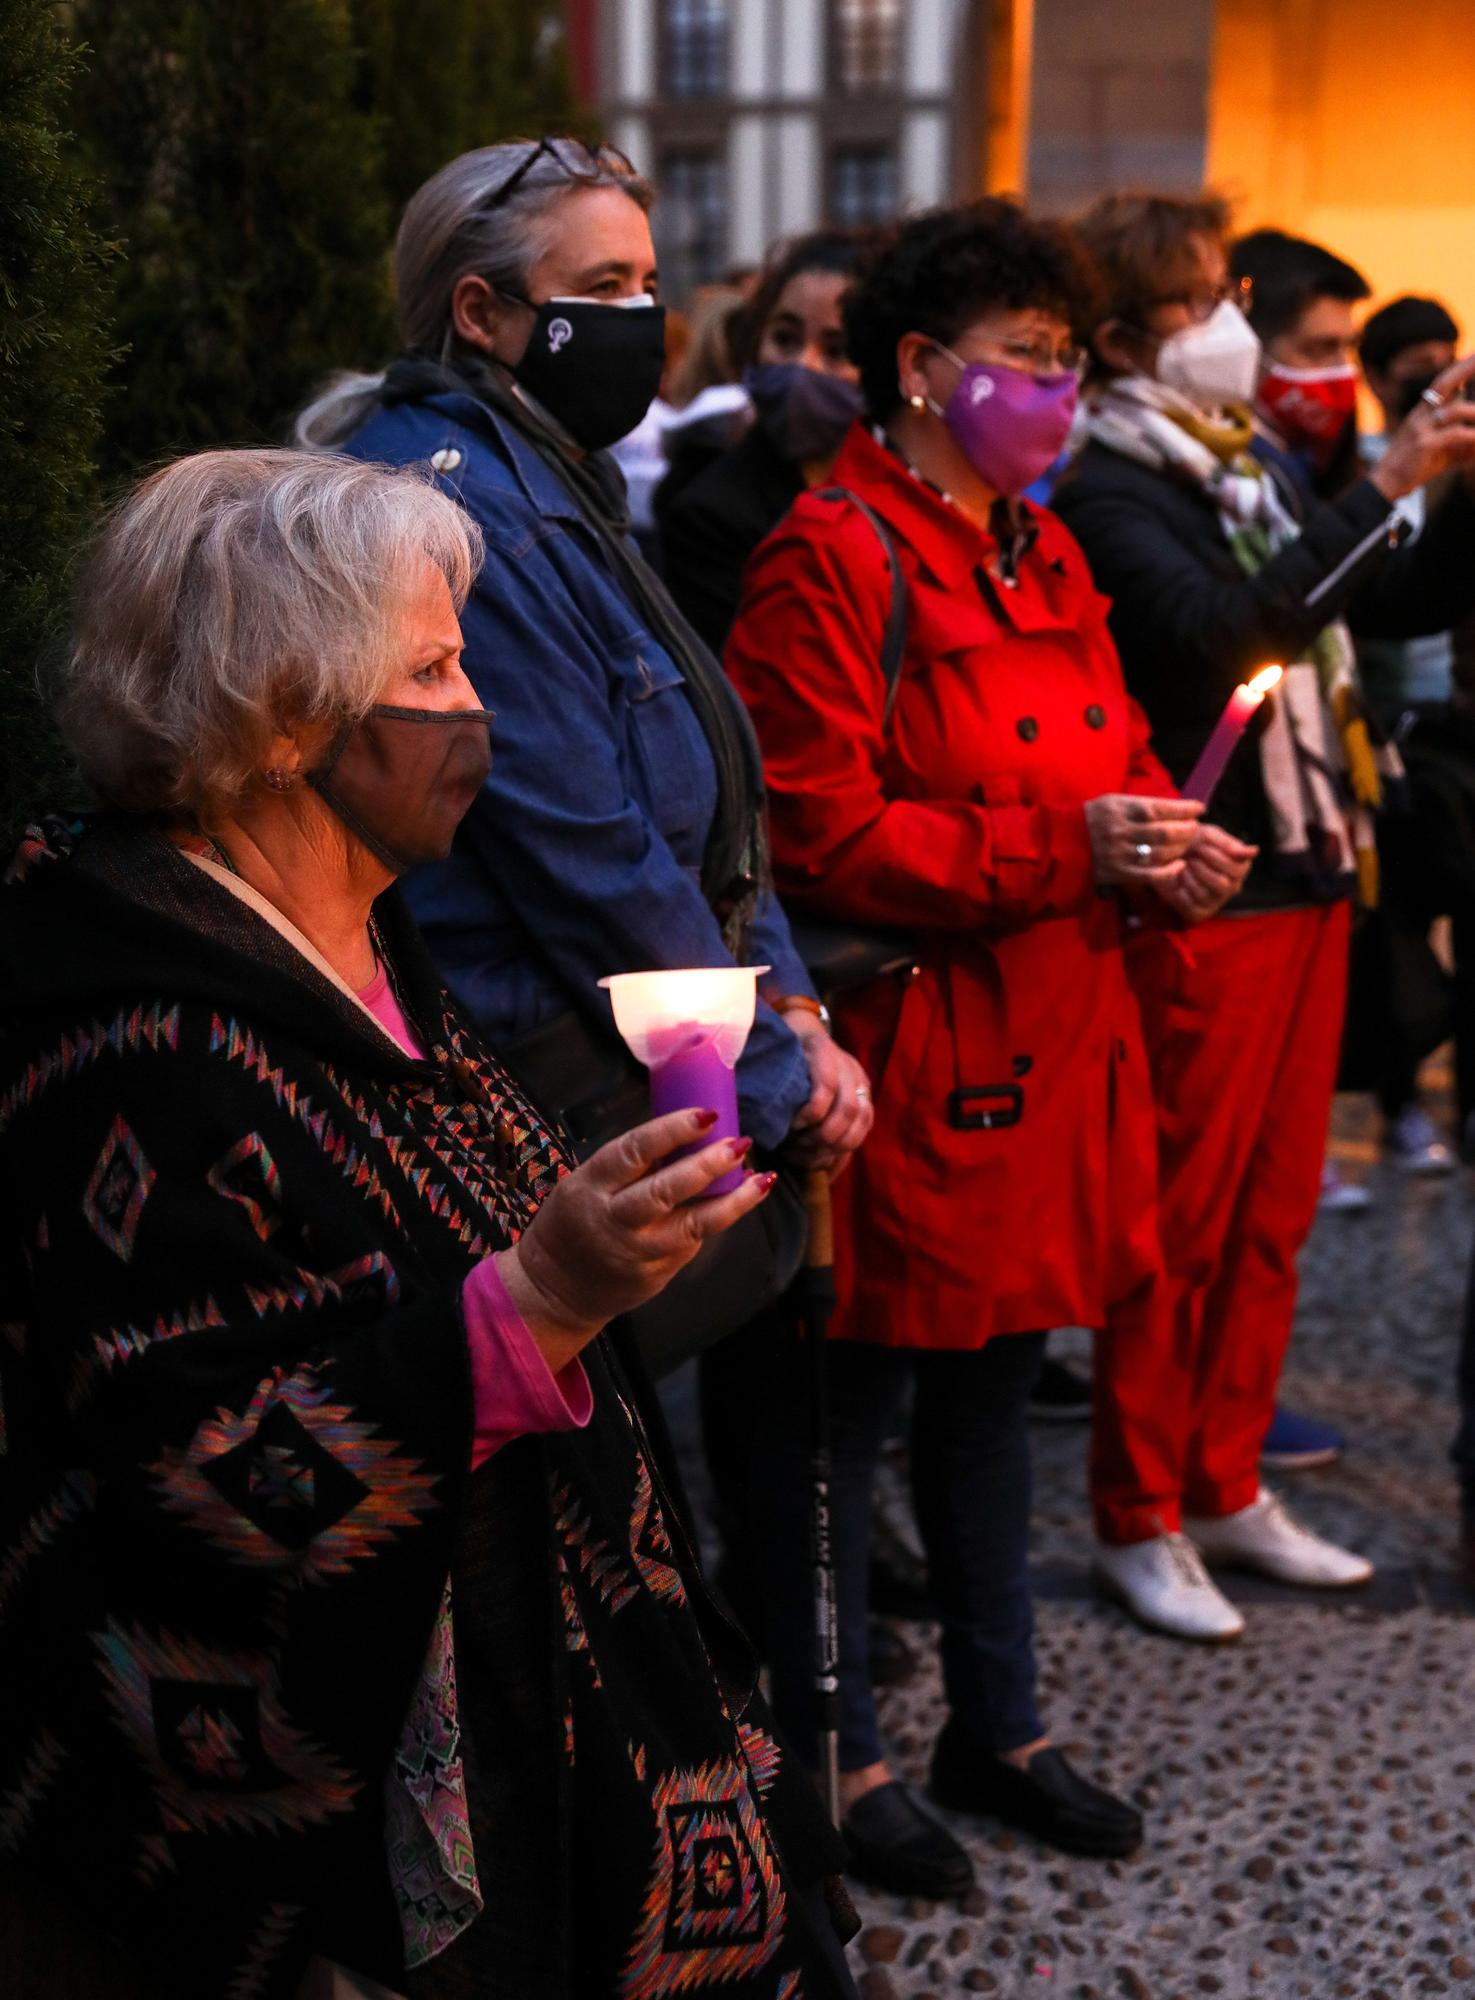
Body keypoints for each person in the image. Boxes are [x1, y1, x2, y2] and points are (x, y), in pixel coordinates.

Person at [0, 448, 861, 2000]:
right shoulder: (136, 1046)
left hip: (576, 1716)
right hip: (346, 1871)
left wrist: (610, 1243)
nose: (481, 711)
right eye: (437, 666)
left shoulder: (365, 933)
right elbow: (200, 1491)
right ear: (279, 717)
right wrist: (540, 1299)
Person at [725, 199, 1237, 1896]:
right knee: (851, 1417)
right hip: (923, 1056)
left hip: (1063, 1037)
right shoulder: (837, 549)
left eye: (1072, 361)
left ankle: (998, 1726)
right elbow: (809, 833)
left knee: (1000, 1398)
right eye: (1032, 360)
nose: (1059, 391)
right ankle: (839, 1748)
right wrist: (1060, 853)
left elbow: (1111, 755)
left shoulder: (1041, 543)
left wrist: (1168, 849)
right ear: (927, 370)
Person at [296, 138, 870, 1205]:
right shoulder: (456, 514)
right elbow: (584, 848)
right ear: (480, 312)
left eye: (648, 283)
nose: (641, 317)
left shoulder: (560, 475)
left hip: (625, 1038)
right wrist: (775, 1074)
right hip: (538, 1075)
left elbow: (710, 786)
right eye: (603, 286)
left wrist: (790, 1000)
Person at [1058, 192, 1475, 1643]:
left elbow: (1384, 594)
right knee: (1173, 1217)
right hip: (1207, 886)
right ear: (1112, 340)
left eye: (1224, 290)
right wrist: (1382, 482)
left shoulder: (1245, 466)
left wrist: (1448, 478)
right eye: (1193, 303)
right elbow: (1230, 632)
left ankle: (1224, 1478)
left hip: (1309, 866)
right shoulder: (1110, 486)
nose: (1223, 325)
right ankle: (1137, 1511)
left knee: (1271, 1211)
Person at [1349, 295, 1467, 1171]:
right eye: (1413, 358)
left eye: (1447, 353)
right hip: (1384, 730)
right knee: (1395, 926)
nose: (1432, 370)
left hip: (1458, 725)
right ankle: (1398, 1105)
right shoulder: (1358, 474)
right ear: (1378, 375)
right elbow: (1382, 601)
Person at [658, 230, 867, 654]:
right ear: (754, 346)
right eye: (785, 340)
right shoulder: (709, 513)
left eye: (836, 349)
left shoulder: (894, 490)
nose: (801, 366)